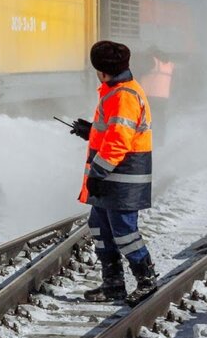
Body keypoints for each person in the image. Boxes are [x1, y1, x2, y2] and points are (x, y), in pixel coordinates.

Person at [67, 40, 158, 305]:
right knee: (100, 226)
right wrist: (91, 131)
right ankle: (113, 284)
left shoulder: (123, 96)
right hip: (113, 177)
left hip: (122, 178)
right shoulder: (116, 90)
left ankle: (146, 280)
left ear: (102, 71)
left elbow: (120, 142)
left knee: (125, 232)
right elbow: (114, 132)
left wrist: (96, 174)